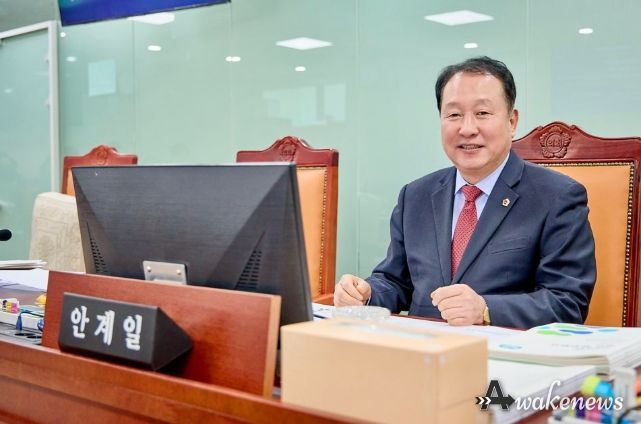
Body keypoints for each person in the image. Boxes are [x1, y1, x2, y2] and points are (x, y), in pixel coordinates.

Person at [334, 56, 596, 329]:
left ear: (512, 121)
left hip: (500, 352)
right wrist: (366, 294)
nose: (467, 129)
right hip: (421, 349)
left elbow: (568, 302)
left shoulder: (557, 196)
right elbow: (396, 282)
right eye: (454, 115)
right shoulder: (415, 196)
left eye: (482, 113)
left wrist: (486, 309)